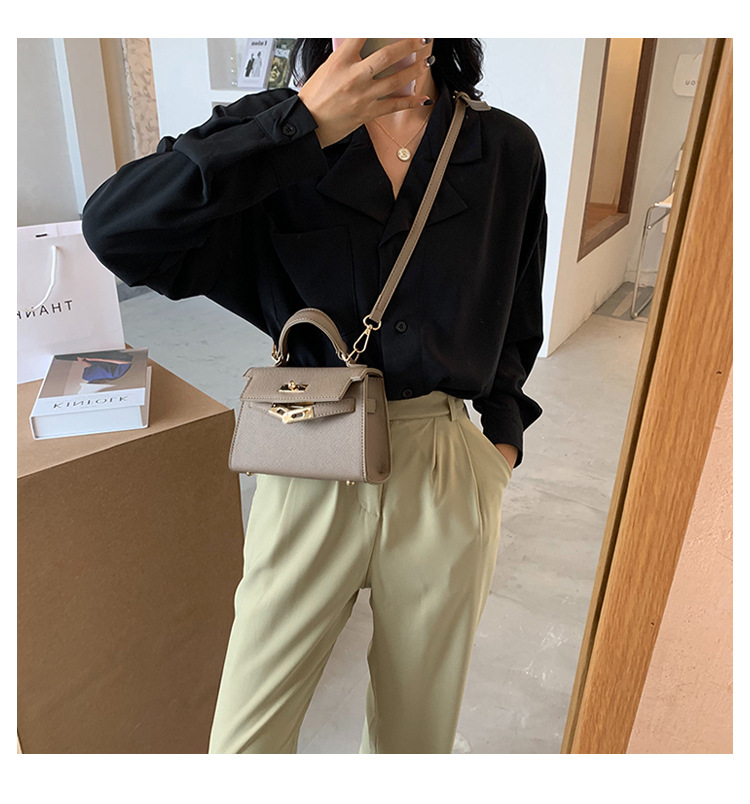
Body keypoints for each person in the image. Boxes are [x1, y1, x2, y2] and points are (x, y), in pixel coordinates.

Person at [81, 38, 547, 754]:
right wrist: (301, 126)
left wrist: (501, 442)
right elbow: (115, 226)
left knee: (414, 745)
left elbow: (517, 310)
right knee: (246, 744)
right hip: (307, 450)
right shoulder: (275, 129)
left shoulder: (505, 149)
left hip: (443, 469)